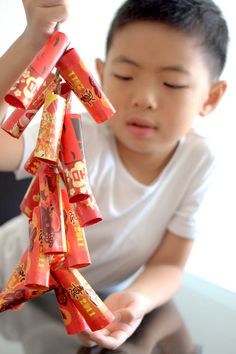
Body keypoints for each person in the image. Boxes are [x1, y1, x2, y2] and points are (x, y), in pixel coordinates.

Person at [0, 0, 229, 350]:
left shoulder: (198, 160)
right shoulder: (76, 132)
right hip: (9, 279)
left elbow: (169, 264)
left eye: (172, 83)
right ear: (100, 75)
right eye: (124, 76)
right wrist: (33, 41)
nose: (144, 98)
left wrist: (138, 298)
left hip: (80, 304)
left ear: (211, 97)